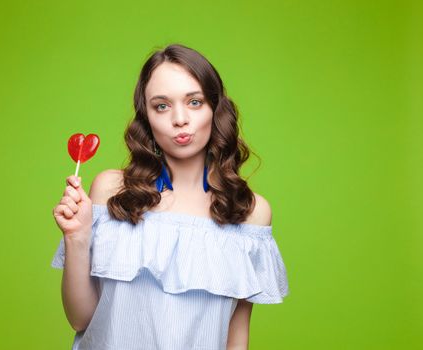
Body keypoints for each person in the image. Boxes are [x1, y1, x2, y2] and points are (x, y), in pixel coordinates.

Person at [51, 43, 289, 350]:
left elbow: (237, 337)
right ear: (146, 117)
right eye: (162, 106)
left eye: (194, 102)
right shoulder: (112, 191)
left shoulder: (250, 213)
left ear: (215, 108)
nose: (179, 119)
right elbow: (81, 320)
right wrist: (77, 237)